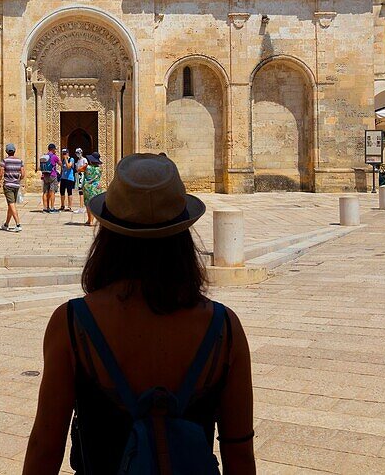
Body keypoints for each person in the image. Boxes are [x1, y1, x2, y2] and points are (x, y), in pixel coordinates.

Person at [23, 155, 256, 475]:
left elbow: (45, 449)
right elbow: (240, 454)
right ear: (182, 233)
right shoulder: (224, 328)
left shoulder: (72, 323)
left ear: (108, 231)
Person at [0, 143, 25, 232]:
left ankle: (18, 224)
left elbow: (1, 173)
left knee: (11, 204)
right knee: (11, 204)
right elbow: (23, 174)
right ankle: (6, 224)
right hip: (16, 185)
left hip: (8, 185)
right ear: (14, 151)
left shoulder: (4, 161)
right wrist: (18, 179)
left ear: (6, 152)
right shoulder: (19, 161)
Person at [80, 152, 103, 227]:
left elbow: (78, 169)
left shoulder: (87, 167)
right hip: (96, 187)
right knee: (94, 203)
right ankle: (91, 220)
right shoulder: (100, 168)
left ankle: (90, 220)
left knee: (88, 203)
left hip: (88, 187)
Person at [40, 143, 60, 213]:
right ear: (53, 149)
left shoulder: (44, 156)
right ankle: (52, 208)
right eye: (55, 149)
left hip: (45, 175)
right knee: (52, 191)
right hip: (52, 175)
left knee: (45, 192)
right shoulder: (54, 156)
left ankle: (45, 208)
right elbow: (60, 163)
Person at [73, 148, 88, 215]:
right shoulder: (78, 160)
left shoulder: (84, 159)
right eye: (77, 153)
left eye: (79, 153)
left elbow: (86, 165)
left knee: (81, 191)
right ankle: (81, 207)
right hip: (78, 175)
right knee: (80, 191)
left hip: (82, 175)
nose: (78, 154)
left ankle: (82, 208)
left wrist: (79, 169)